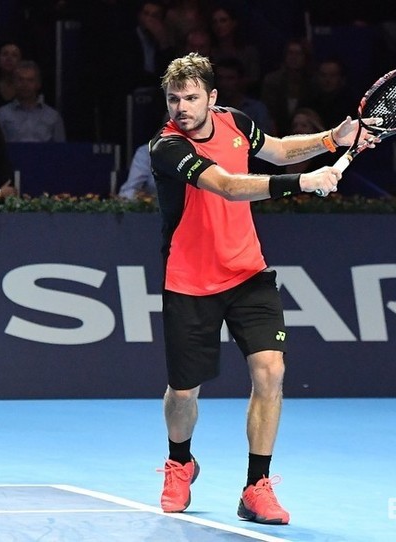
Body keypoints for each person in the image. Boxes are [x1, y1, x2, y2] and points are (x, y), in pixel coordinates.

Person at [150, 53, 379, 524]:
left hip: (248, 273)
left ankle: (256, 486)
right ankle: (180, 461)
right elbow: (231, 187)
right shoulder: (166, 148)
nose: (181, 108)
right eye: (174, 99)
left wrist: (331, 139)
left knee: (270, 371)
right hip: (190, 281)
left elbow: (274, 149)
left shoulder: (234, 122)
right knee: (183, 392)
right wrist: (305, 182)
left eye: (191, 98)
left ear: (212, 99)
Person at [0, 60, 65, 143]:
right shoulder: (1, 115)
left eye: (30, 80)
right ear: (14, 83)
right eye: (20, 80)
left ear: (38, 84)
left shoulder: (53, 117)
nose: (25, 84)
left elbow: (62, 151)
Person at [261, 38, 317, 136]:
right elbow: (269, 113)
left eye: (298, 54)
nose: (293, 57)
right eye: (290, 53)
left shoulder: (313, 82)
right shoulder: (272, 81)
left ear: (306, 57)